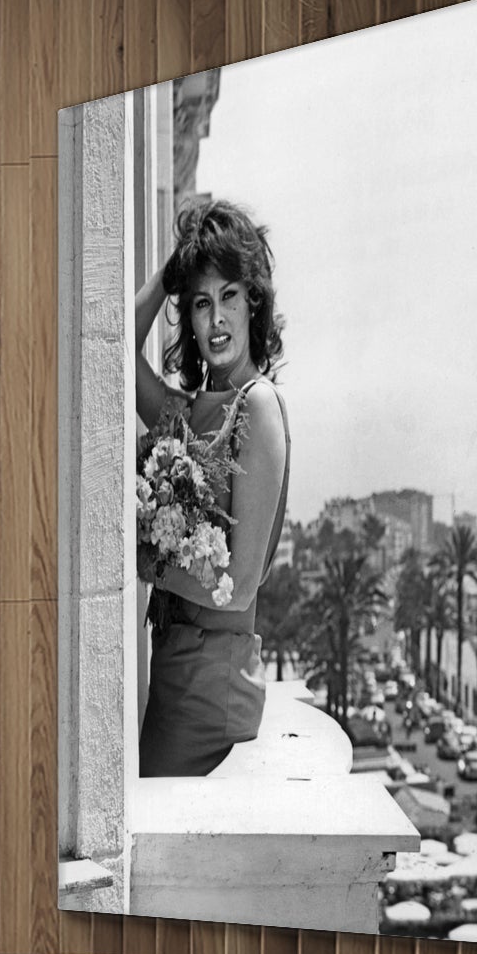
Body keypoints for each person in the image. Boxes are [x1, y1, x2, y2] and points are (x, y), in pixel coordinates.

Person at [134, 200, 291, 777]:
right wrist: (176, 268)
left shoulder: (259, 407)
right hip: (174, 675)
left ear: (254, 302)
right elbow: (114, 350)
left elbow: (240, 584)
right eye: (201, 304)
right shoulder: (191, 409)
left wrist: (140, 556)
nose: (216, 320)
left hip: (212, 691)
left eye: (229, 296)